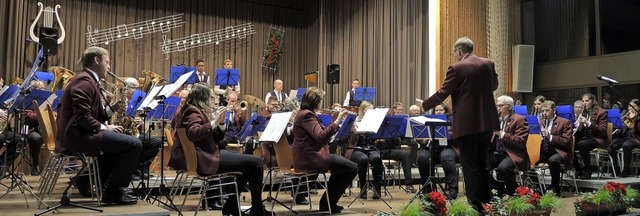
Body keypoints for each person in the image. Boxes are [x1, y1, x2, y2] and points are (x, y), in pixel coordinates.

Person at [418, 37, 499, 212]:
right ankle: (488, 203)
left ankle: (475, 205)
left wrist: (424, 105)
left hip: (467, 124)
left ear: (459, 50)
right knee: (484, 163)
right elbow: (494, 85)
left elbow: (442, 93)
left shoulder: (457, 68)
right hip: (487, 122)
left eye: (454, 52)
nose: (454, 55)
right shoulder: (488, 63)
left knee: (470, 165)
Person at [168, 83, 272, 215]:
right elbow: (193, 134)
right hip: (203, 158)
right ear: (202, 98)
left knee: (249, 164)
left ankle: (232, 206)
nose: (214, 101)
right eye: (211, 98)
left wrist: (221, 124)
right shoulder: (192, 111)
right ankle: (257, 210)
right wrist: (214, 122)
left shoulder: (193, 110)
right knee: (256, 162)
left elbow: (215, 138)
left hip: (205, 154)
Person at [55, 47, 142, 205]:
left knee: (122, 142)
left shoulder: (87, 79)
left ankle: (96, 183)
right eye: (107, 62)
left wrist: (114, 107)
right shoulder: (84, 81)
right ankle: (113, 192)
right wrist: (106, 128)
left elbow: (96, 115)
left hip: (81, 132)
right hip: (78, 135)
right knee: (134, 144)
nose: (109, 67)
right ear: (96, 61)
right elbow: (82, 117)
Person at [292, 86, 357, 213]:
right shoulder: (307, 115)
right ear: (316, 102)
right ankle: (327, 202)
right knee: (352, 168)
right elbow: (321, 137)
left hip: (310, 155)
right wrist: (337, 121)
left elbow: (320, 135)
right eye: (321, 100)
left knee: (343, 168)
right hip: (311, 158)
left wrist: (334, 122)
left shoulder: (304, 113)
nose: (322, 103)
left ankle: (328, 202)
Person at [417, 102, 460, 199]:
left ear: (446, 111)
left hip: (447, 147)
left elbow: (457, 135)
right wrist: (425, 138)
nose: (438, 112)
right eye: (436, 110)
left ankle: (452, 189)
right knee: (422, 158)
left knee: (447, 157)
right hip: (431, 147)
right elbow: (419, 137)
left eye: (441, 110)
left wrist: (446, 134)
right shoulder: (428, 120)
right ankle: (426, 190)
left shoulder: (451, 120)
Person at [490, 95, 530, 196]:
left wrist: (502, 134)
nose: (498, 108)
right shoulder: (496, 119)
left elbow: (520, 142)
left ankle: (514, 191)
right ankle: (499, 188)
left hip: (513, 154)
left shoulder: (519, 119)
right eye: (497, 106)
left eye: (501, 105)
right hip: (497, 152)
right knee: (480, 165)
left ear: (510, 106)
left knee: (503, 168)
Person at [345, 101, 384, 199]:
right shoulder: (355, 121)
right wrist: (357, 130)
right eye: (368, 111)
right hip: (356, 148)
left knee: (376, 158)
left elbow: (378, 138)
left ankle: (377, 189)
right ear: (362, 110)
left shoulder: (374, 122)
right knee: (363, 159)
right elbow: (351, 139)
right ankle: (363, 189)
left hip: (370, 148)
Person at [378, 102, 417, 193]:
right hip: (377, 151)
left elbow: (397, 140)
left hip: (388, 150)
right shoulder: (375, 123)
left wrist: (392, 136)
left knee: (405, 155)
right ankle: (378, 186)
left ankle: (408, 184)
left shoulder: (391, 123)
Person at [537, 100, 573, 194]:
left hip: (560, 151)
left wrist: (551, 137)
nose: (545, 113)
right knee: (528, 159)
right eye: (543, 111)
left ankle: (555, 187)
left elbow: (567, 142)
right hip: (545, 151)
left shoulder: (564, 122)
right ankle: (538, 187)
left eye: (547, 110)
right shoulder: (542, 122)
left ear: (554, 110)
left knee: (553, 161)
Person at [573, 93, 609, 179]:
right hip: (585, 137)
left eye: (587, 101)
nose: (584, 103)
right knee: (568, 143)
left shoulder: (602, 112)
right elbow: (580, 130)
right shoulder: (584, 112)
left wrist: (588, 123)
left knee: (582, 144)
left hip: (597, 138)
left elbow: (602, 131)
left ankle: (587, 171)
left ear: (593, 101)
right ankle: (578, 169)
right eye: (583, 101)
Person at [609, 99, 640, 177]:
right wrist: (621, 125)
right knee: (612, 145)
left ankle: (626, 170)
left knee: (626, 145)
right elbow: (619, 134)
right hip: (624, 138)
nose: (631, 108)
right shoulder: (626, 116)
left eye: (634, 106)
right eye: (630, 106)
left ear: (639, 107)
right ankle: (616, 170)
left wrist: (633, 120)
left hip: (635, 139)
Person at [25, 80, 46, 176]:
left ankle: (70, 163)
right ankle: (35, 165)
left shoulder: (48, 99)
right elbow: (30, 116)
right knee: (34, 138)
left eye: (44, 88)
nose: (43, 90)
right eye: (41, 89)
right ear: (33, 90)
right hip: (35, 129)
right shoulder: (29, 101)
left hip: (48, 129)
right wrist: (43, 115)